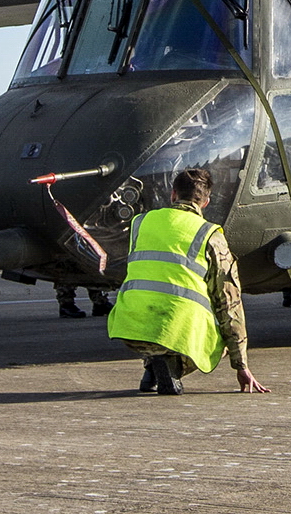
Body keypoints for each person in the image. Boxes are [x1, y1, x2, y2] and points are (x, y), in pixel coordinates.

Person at [107, 167, 265, 396]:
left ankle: (153, 364)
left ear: (173, 195)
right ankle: (174, 366)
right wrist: (241, 365)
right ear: (206, 202)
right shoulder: (210, 235)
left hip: (130, 327)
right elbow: (230, 303)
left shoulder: (141, 223)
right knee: (221, 331)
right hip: (174, 333)